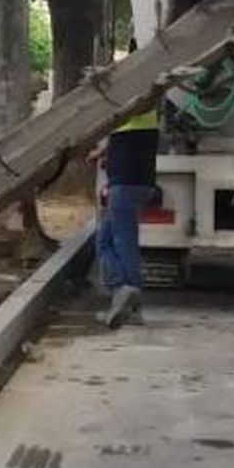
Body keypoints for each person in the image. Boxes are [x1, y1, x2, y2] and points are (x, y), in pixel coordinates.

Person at [91, 107, 160, 327]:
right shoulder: (148, 119)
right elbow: (125, 145)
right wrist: (104, 152)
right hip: (143, 186)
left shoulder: (121, 115)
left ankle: (124, 293)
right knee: (106, 241)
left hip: (123, 188)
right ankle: (127, 305)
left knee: (122, 245)